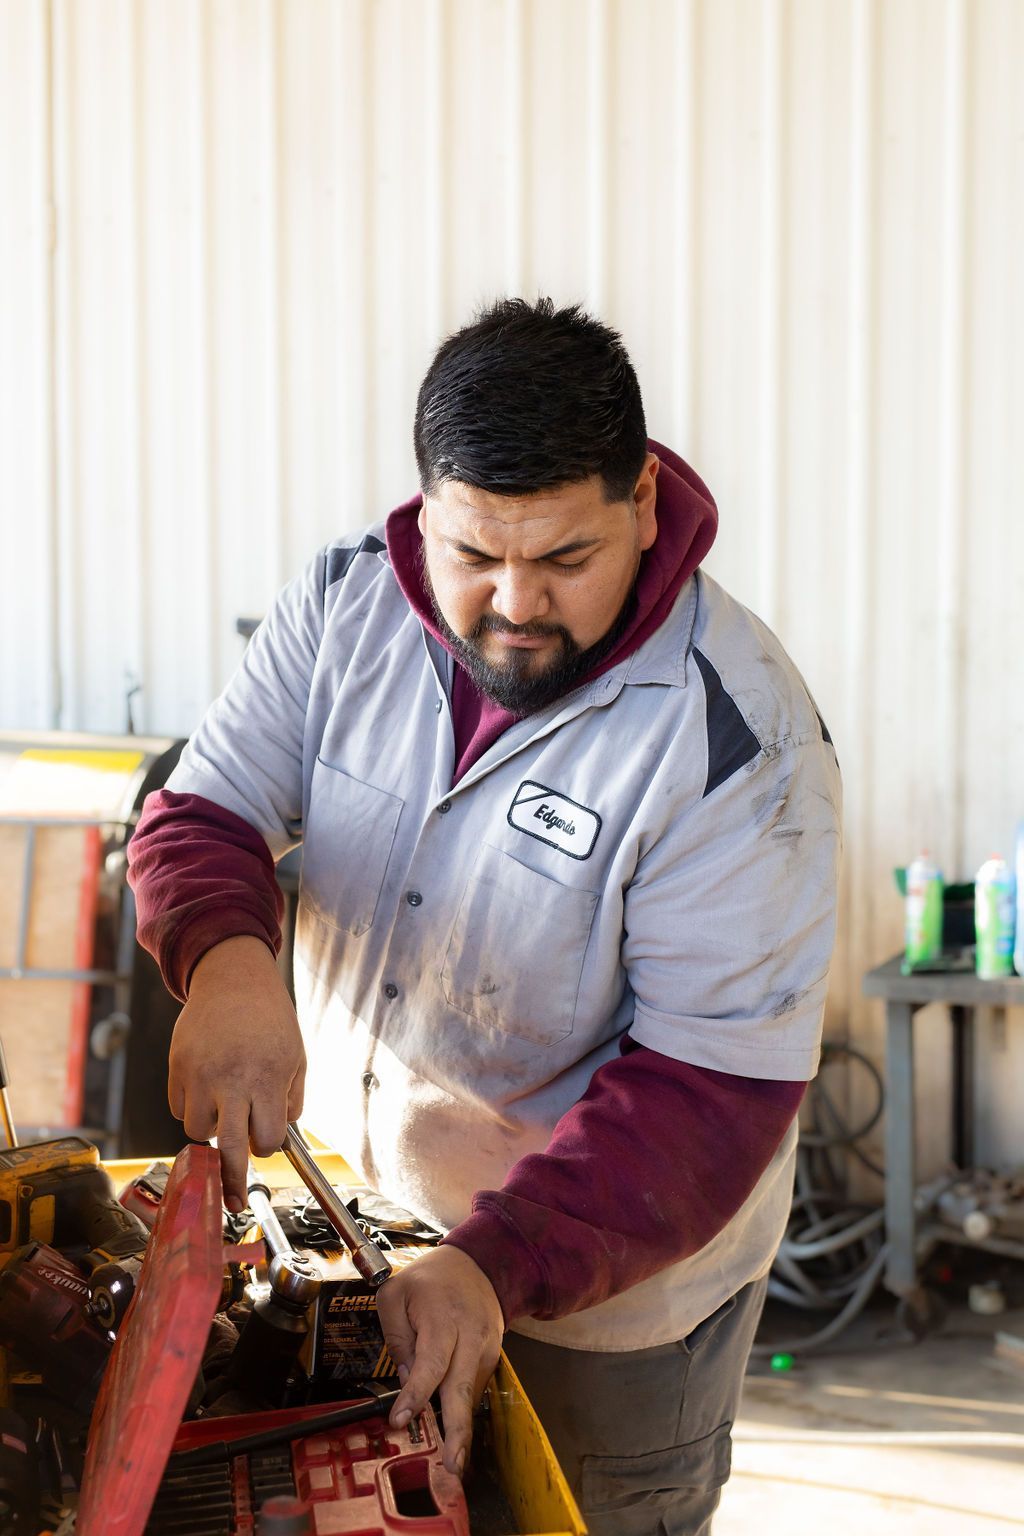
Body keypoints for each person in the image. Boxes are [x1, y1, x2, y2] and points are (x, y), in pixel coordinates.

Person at [128, 297, 841, 1536]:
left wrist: (493, 1266)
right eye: (475, 556)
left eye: (565, 560)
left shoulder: (741, 740)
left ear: (646, 510)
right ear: (426, 512)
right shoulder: (347, 600)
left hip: (607, 1312)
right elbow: (201, 811)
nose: (513, 603)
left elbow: (708, 1097)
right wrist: (230, 971)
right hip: (362, 1226)